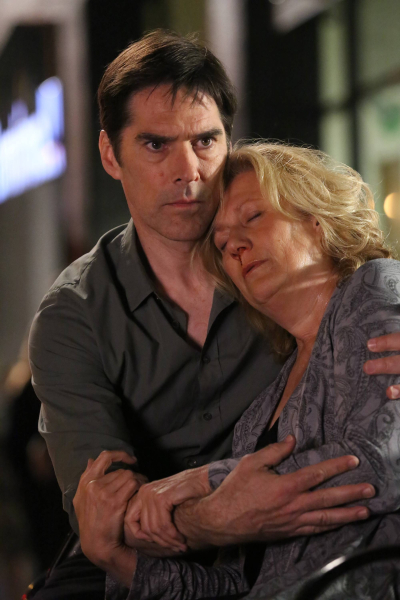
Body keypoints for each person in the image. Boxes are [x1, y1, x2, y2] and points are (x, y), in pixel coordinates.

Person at [28, 31, 400, 599]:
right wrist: (218, 518)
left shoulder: (290, 277)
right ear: (109, 155)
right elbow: (108, 516)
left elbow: (373, 291)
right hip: (168, 555)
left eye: (205, 141)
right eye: (156, 145)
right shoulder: (72, 316)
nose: (189, 170)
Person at [90, 142, 400, 600]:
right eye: (220, 243)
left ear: (315, 221)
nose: (234, 245)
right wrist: (120, 561)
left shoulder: (374, 286)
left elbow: (380, 464)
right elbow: (241, 581)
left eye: (253, 217)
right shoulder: (259, 413)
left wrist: (200, 482)